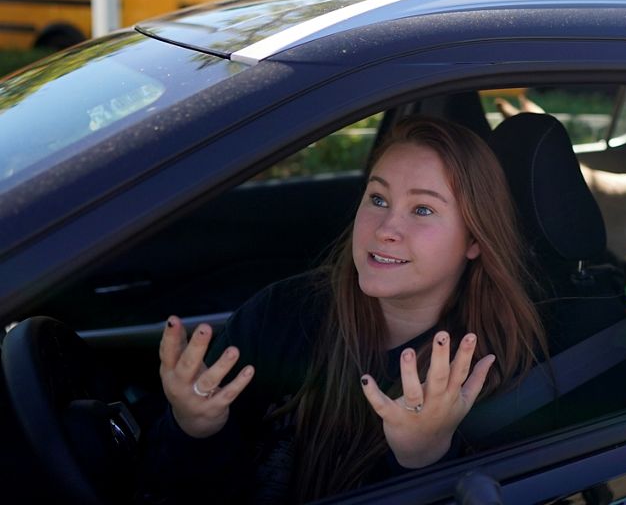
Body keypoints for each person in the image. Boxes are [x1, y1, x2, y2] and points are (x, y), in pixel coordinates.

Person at [142, 117, 547, 503]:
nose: (385, 227)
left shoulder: (499, 373)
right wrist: (194, 428)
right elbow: (177, 488)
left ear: (474, 239)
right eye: (377, 198)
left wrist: (424, 459)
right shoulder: (285, 312)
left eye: (422, 209)